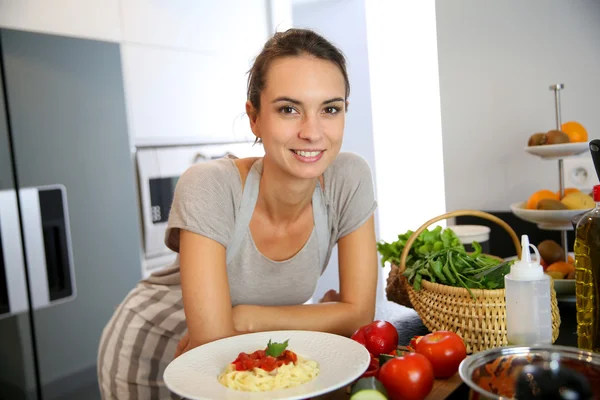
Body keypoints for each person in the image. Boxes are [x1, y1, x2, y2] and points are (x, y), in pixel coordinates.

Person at [97, 28, 378, 399]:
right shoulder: (209, 185)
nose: (313, 132)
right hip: (156, 348)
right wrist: (324, 318)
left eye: (330, 109)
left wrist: (246, 317)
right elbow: (211, 341)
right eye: (288, 109)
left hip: (254, 358)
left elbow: (359, 316)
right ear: (255, 118)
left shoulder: (349, 178)